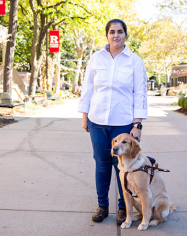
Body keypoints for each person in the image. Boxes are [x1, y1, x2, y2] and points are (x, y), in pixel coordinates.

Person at [78, 19, 148, 225]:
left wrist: (137, 124)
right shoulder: (96, 58)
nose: (116, 35)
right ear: (107, 35)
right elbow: (87, 88)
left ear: (125, 35)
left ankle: (122, 208)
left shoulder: (134, 61)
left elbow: (140, 94)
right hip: (97, 121)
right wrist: (84, 116)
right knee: (101, 164)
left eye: (120, 32)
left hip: (123, 123)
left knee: (122, 167)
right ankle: (102, 206)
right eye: (112, 32)